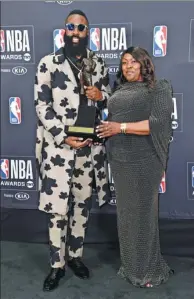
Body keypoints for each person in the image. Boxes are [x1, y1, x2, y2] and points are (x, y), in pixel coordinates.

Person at [34, 10, 111, 291]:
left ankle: (75, 257)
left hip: (88, 150)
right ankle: (57, 265)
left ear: (88, 32)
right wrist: (63, 136)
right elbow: (42, 106)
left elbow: (111, 101)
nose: (76, 31)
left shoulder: (98, 64)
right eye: (71, 26)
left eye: (81, 27)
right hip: (59, 150)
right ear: (64, 30)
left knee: (81, 206)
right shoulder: (48, 64)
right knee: (57, 211)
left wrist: (101, 96)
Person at [96, 46, 174, 288]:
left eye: (133, 62)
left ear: (144, 64)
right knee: (127, 217)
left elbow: (158, 123)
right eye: (124, 62)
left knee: (142, 216)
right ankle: (131, 267)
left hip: (145, 160)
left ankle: (148, 271)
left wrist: (119, 128)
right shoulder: (119, 90)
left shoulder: (159, 87)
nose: (128, 66)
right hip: (120, 160)